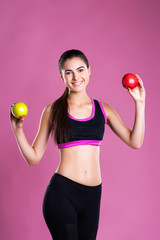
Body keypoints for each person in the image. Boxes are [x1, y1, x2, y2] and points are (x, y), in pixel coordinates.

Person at [10, 49, 146, 240]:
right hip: (62, 194)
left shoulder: (103, 109)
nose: (76, 77)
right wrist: (18, 131)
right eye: (68, 72)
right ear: (61, 76)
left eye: (80, 70)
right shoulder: (53, 110)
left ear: (89, 71)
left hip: (93, 195)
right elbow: (33, 158)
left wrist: (139, 103)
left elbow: (135, 141)